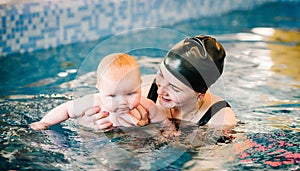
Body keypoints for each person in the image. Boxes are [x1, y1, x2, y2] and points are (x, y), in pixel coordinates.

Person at [78, 35, 237, 130]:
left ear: (200, 94)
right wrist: (90, 125)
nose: (160, 91)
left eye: (174, 88)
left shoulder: (219, 119)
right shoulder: (141, 91)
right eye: (161, 75)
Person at [30, 53, 167, 130]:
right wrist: (45, 122)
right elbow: (66, 109)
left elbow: (162, 120)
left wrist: (170, 132)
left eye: (131, 93)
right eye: (112, 96)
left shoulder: (147, 105)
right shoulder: (94, 102)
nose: (122, 101)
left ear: (139, 85)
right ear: (99, 89)